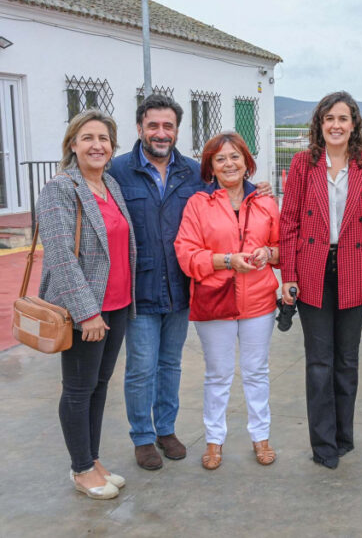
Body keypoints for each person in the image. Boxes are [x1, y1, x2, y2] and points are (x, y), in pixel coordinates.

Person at [110, 95, 270, 470]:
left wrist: (257, 190)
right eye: (153, 125)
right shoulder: (117, 171)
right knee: (141, 368)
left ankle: (165, 430)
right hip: (141, 285)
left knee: (170, 364)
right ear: (139, 128)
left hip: (181, 288)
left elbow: (231, 188)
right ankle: (143, 437)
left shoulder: (191, 172)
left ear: (177, 131)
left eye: (168, 126)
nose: (161, 132)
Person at [280, 91, 362, 469]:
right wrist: (288, 276)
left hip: (354, 268)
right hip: (312, 268)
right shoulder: (302, 164)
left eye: (343, 118)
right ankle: (323, 444)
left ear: (354, 124)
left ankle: (344, 436)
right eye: (329, 118)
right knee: (319, 362)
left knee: (347, 360)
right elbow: (288, 223)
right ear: (319, 124)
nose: (336, 125)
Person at [37, 110, 136, 499]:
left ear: (112, 147)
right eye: (88, 138)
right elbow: (61, 257)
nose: (97, 145)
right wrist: (87, 312)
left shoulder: (110, 184)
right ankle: (80, 469)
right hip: (87, 311)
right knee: (78, 390)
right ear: (72, 144)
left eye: (104, 139)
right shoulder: (60, 188)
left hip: (117, 305)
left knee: (99, 385)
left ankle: (92, 460)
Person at [175, 132, 280, 470]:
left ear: (247, 162)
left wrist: (268, 253)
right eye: (220, 158)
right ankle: (214, 440)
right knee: (218, 374)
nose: (229, 164)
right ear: (211, 167)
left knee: (256, 371)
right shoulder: (197, 204)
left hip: (258, 300)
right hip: (215, 300)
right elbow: (186, 254)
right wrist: (226, 261)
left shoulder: (265, 202)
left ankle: (261, 437)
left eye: (235, 156)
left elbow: (283, 250)